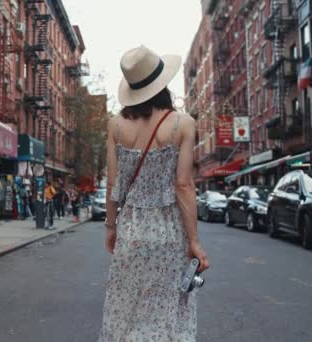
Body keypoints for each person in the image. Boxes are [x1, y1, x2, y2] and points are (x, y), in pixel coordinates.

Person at [98, 46, 209, 341]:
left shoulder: (116, 126)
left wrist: (111, 228)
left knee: (126, 308)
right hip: (170, 233)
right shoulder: (182, 124)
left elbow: (113, 185)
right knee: (167, 310)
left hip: (132, 231)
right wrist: (195, 242)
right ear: (162, 84)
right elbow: (183, 186)